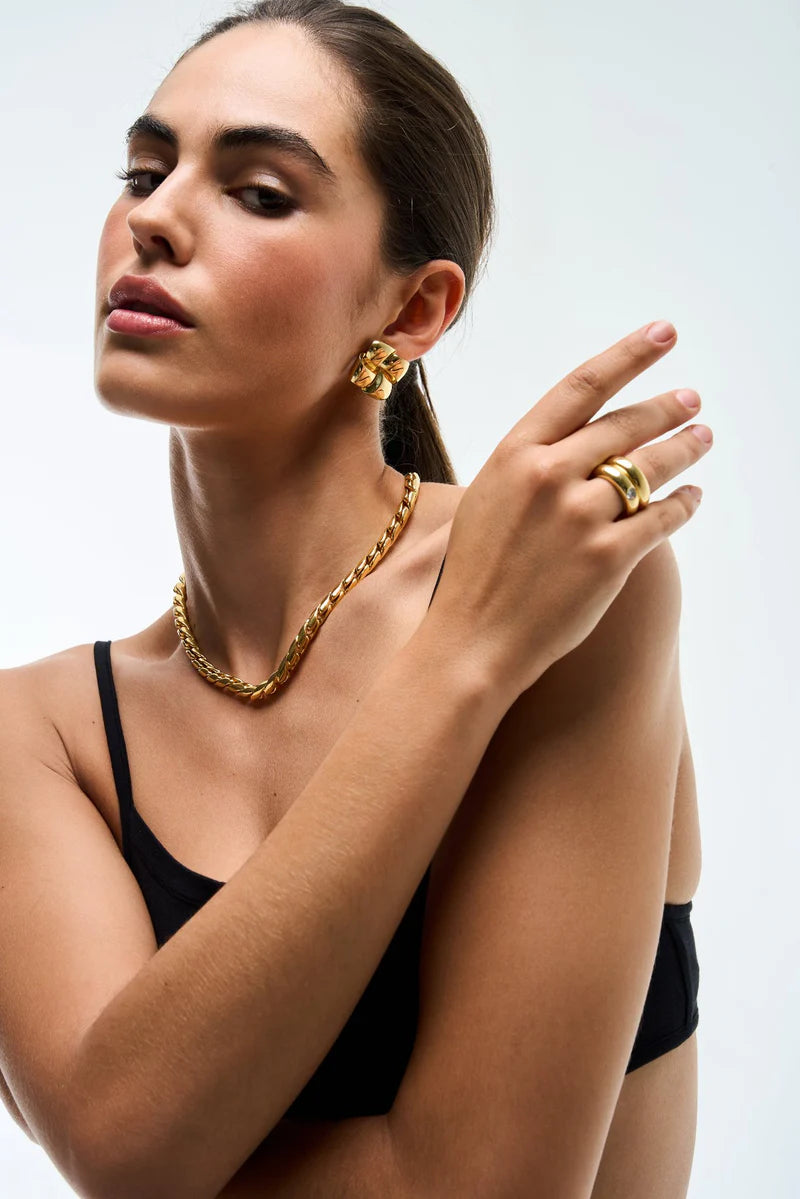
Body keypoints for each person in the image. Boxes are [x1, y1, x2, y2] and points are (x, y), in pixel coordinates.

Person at [0, 1, 711, 1195]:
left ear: (412, 310)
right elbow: (123, 1147)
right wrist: (462, 659)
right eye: (143, 168)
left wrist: (476, 635)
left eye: (259, 191)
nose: (154, 218)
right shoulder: (41, 733)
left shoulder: (573, 592)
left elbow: (477, 1186)